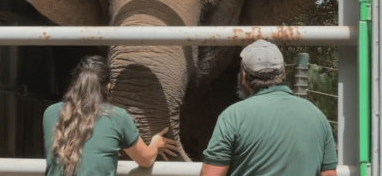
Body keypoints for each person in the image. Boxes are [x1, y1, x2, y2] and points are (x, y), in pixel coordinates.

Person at [200, 39, 337, 176]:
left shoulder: (232, 116)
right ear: (283, 72)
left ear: (243, 75)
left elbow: (212, 173)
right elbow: (329, 174)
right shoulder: (316, 115)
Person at [43, 55, 178, 176]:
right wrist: (155, 143)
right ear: (108, 86)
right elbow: (146, 160)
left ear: (75, 83)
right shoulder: (117, 116)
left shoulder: (50, 112)